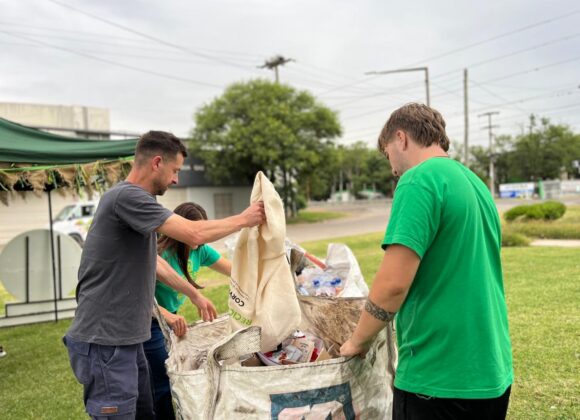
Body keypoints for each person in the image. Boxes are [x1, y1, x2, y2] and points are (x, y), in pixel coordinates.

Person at [63, 131, 265, 419]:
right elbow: (194, 232)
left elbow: (155, 263)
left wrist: (193, 293)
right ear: (157, 162)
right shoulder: (127, 197)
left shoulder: (136, 204)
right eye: (175, 170)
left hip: (131, 338)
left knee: (149, 411)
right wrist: (246, 218)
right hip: (106, 342)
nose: (176, 180)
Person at [340, 104, 513, 420]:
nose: (392, 167)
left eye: (387, 153)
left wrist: (356, 341)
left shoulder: (418, 180)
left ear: (401, 138)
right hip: (491, 370)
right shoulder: (475, 184)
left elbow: (392, 286)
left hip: (439, 376)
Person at [144, 202, 232, 419]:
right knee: (163, 383)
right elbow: (138, 297)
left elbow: (234, 270)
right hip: (150, 322)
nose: (198, 238)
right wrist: (168, 316)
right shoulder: (159, 254)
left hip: (171, 324)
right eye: (194, 232)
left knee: (175, 380)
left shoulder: (199, 249)